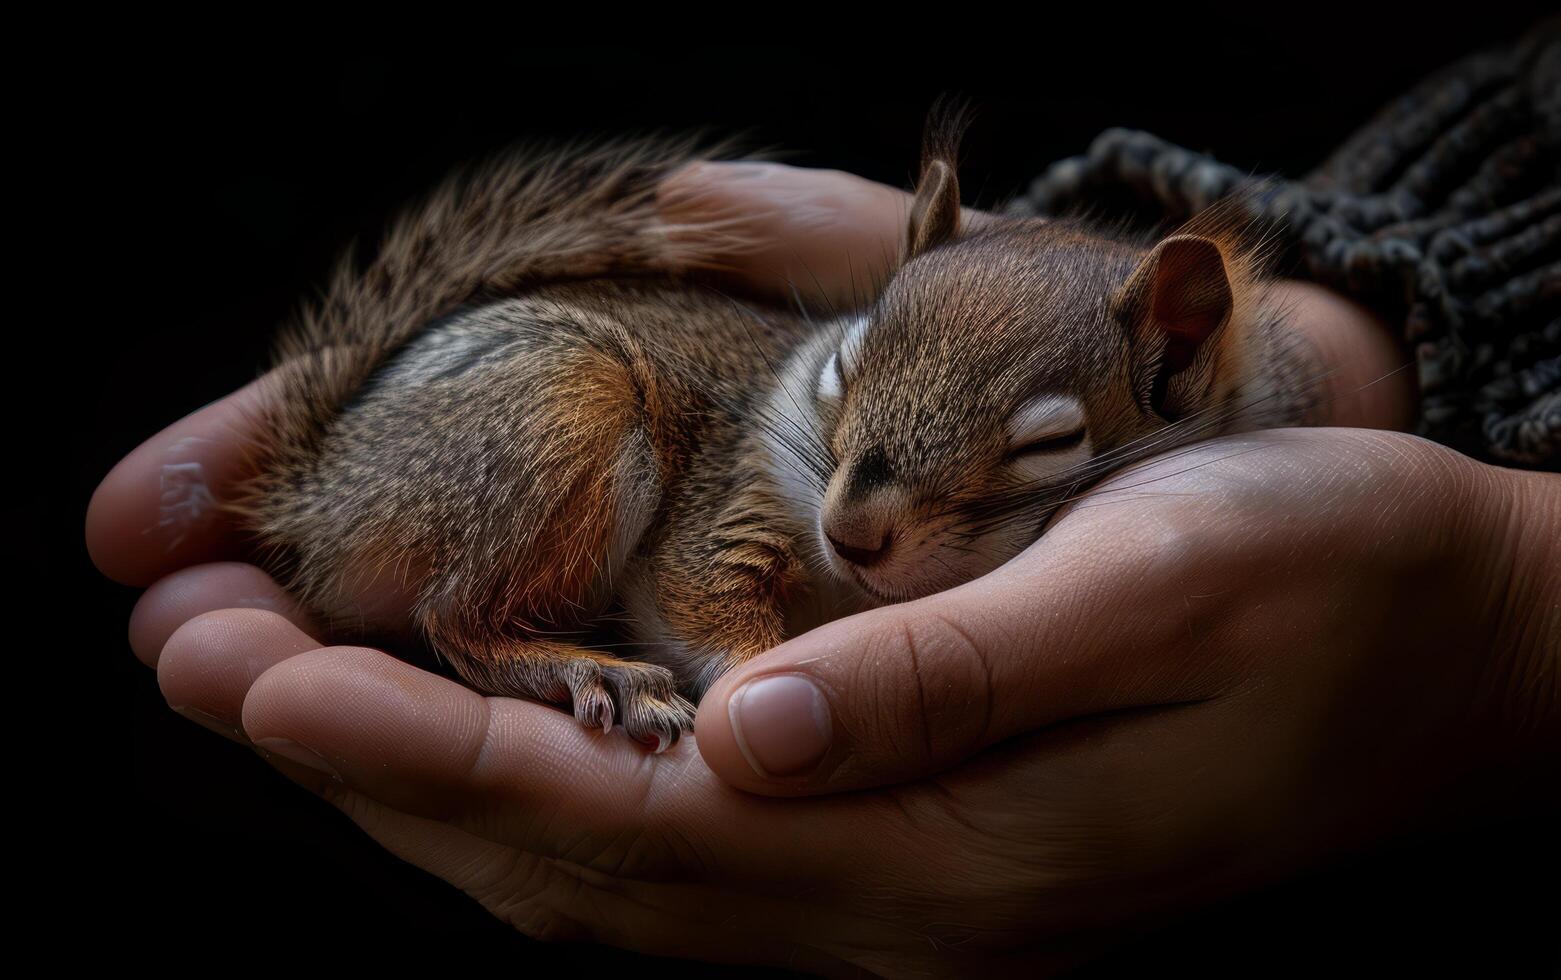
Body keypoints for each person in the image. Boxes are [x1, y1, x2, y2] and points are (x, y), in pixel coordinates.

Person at [88, 151, 1556, 973]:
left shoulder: (1181, 428)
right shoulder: (785, 444)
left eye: (1040, 451)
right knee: (582, 402)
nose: (850, 518)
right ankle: (495, 638)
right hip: (516, 434)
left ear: (1177, 351)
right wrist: (743, 661)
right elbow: (710, 568)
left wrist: (1512, 612)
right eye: (849, 380)